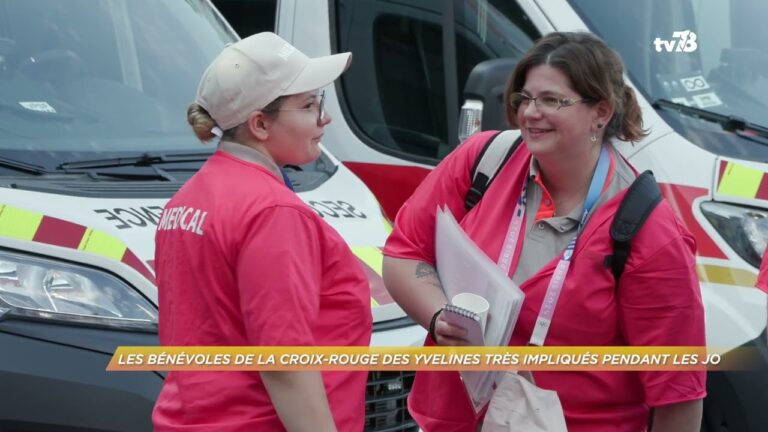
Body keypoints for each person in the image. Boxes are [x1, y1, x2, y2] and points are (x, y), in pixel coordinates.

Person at [382, 32, 706, 432]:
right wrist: (439, 319)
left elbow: (678, 394)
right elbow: (404, 252)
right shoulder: (485, 160)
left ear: (600, 112)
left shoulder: (646, 228)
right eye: (525, 98)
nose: (530, 113)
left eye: (552, 100)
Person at [152, 32, 372, 432]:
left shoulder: (186, 200)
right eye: (309, 106)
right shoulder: (272, 211)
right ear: (260, 124)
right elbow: (284, 363)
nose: (325, 118)